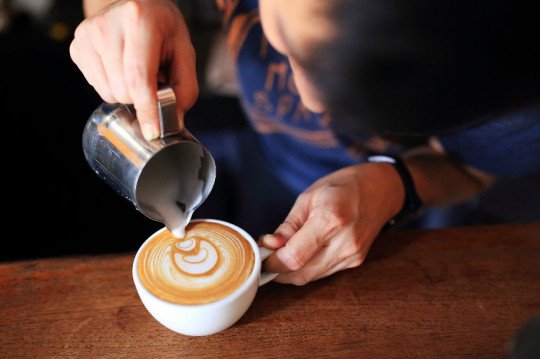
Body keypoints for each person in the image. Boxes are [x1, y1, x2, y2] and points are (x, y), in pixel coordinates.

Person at [70, 0, 540, 285]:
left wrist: (397, 185)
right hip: (267, 159)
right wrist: (117, 14)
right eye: (289, 45)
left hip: (419, 219)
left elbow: (470, 168)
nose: (313, 102)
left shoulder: (522, 101)